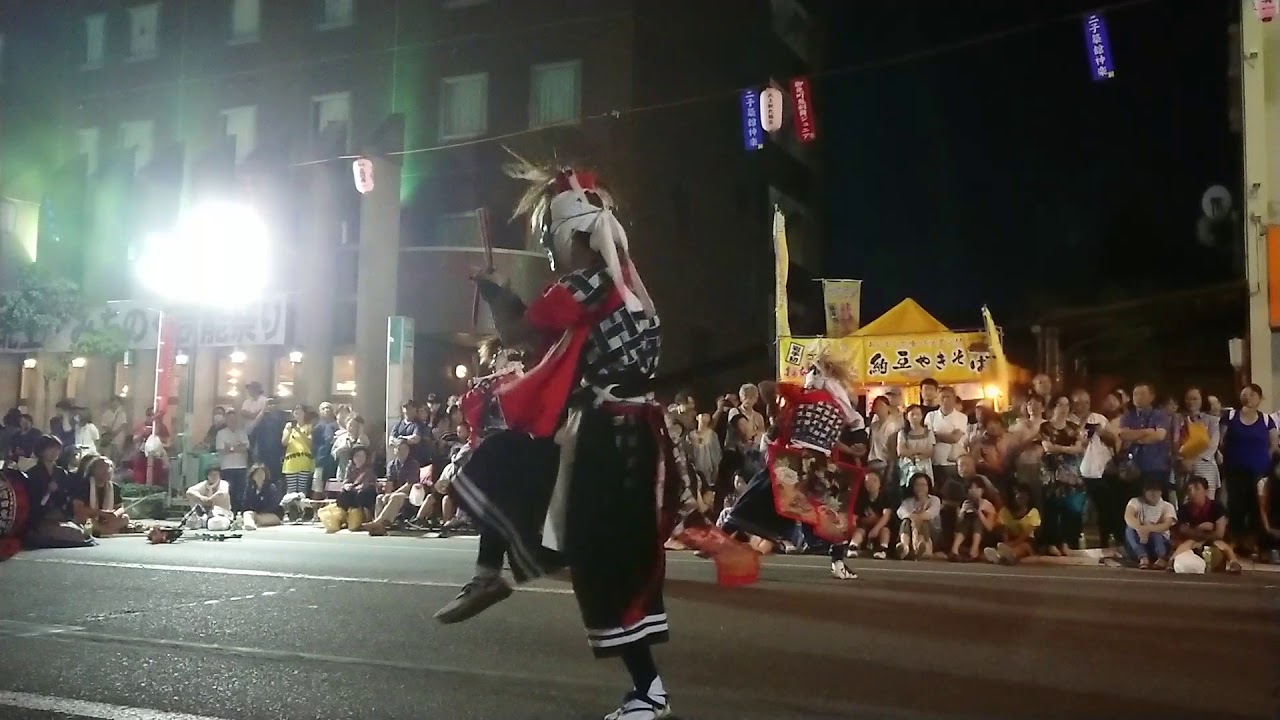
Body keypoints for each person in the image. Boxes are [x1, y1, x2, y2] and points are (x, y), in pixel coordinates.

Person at [437, 160, 693, 719]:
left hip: (610, 437)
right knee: (519, 472)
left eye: (553, 240)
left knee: (597, 554)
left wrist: (494, 288)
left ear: (573, 236)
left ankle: (648, 691)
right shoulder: (624, 286)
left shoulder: (586, 284)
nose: (551, 255)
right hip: (625, 432)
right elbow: (542, 337)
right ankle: (493, 572)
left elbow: (519, 331)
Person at [727, 348, 864, 580]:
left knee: (832, 512)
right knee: (757, 494)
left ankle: (838, 561)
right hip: (797, 459)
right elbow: (766, 388)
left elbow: (842, 428)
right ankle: (720, 535)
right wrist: (774, 407)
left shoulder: (827, 402)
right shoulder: (804, 400)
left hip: (813, 462)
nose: (809, 377)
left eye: (813, 372)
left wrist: (853, 445)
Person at [1220, 383, 1277, 550]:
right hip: (1235, 471)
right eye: (1245, 394)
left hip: (1259, 473)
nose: (1248, 397)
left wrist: (1264, 461)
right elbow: (1221, 441)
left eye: (1252, 394)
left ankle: (1257, 545)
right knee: (1236, 506)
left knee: (1257, 508)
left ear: (1260, 398)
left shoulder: (1266, 420)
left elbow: (1273, 444)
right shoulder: (1231, 416)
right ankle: (1236, 542)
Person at [22, 435, 93, 548]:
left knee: (80, 533)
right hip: (41, 516)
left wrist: (59, 492)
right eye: (50, 448)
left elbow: (66, 497)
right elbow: (32, 499)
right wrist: (47, 492)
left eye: (57, 449)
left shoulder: (61, 473)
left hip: (59, 514)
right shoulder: (32, 473)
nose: (54, 452)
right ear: (41, 451)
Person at [1171, 476, 1241, 574]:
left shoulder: (1217, 507)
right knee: (1187, 543)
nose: (1192, 492)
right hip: (1194, 542)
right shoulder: (1184, 509)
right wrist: (1199, 528)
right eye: (1190, 490)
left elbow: (1219, 533)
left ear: (1206, 491)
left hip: (1214, 541)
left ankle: (1234, 562)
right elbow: (1183, 530)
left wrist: (1202, 535)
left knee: (1222, 545)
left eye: (1197, 488)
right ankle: (1171, 561)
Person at [363, 439, 418, 536]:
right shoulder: (391, 465)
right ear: (395, 450)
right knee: (380, 497)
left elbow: (409, 485)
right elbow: (389, 482)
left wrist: (392, 494)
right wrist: (387, 494)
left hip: (410, 495)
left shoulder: (413, 464)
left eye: (405, 449)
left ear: (408, 451)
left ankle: (377, 522)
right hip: (395, 493)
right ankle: (379, 528)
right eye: (399, 449)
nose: (402, 451)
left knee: (396, 496)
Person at [1123, 477, 1177, 569]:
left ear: (1161, 492)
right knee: (1129, 529)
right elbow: (1128, 516)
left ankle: (1161, 558)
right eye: (1150, 490)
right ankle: (1143, 557)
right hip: (1140, 540)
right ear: (1144, 491)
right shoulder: (1135, 501)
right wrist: (1139, 528)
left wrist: (1148, 528)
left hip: (1160, 542)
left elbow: (1166, 525)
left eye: (1156, 490)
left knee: (1157, 532)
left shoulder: (1167, 506)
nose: (1153, 493)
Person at [985, 483, 1040, 566]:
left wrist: (1012, 544)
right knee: (1002, 545)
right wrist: (1006, 542)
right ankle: (1000, 556)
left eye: (1024, 495)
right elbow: (1004, 529)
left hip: (1027, 540)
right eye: (1018, 494)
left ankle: (1009, 555)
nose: (1020, 497)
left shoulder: (1033, 512)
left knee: (1023, 546)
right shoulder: (1005, 511)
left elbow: (1026, 534)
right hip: (1010, 539)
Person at [848, 469, 894, 559]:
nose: (871, 484)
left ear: (880, 483)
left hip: (880, 525)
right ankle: (853, 546)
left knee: (885, 530)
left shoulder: (885, 497)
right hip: (865, 526)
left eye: (874, 480)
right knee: (859, 531)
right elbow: (856, 516)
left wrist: (876, 528)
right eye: (867, 481)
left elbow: (886, 516)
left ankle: (882, 548)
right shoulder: (861, 498)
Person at [79, 456, 129, 537]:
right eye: (103, 467)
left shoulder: (114, 487)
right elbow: (78, 509)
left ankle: (101, 531)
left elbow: (120, 508)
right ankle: (106, 531)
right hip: (90, 518)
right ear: (93, 470)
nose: (107, 470)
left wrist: (115, 514)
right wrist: (101, 513)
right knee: (84, 518)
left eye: (110, 467)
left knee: (125, 518)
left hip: (106, 520)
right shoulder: (83, 485)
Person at [950, 478, 997, 561]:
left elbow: (990, 527)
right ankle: (954, 550)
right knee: (967, 518)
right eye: (971, 488)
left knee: (976, 519)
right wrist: (962, 512)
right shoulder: (966, 503)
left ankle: (974, 550)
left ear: (982, 490)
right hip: (966, 535)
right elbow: (958, 525)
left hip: (983, 536)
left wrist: (979, 513)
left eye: (977, 488)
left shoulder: (988, 505)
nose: (974, 490)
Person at [896, 472, 941, 560]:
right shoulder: (908, 501)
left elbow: (930, 514)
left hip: (932, 532)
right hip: (911, 532)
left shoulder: (934, 500)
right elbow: (901, 512)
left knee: (924, 521)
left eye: (923, 485)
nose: (920, 488)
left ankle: (922, 546)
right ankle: (904, 547)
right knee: (906, 521)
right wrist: (912, 518)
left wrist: (916, 518)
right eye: (917, 485)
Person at [215, 412, 251, 515]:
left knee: (241, 492)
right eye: (230, 419)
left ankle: (240, 513)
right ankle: (229, 513)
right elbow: (222, 449)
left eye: (234, 419)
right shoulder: (221, 433)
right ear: (226, 420)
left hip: (241, 467)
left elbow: (246, 448)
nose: (233, 421)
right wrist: (237, 446)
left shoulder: (242, 432)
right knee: (229, 492)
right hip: (227, 467)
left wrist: (230, 447)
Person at [334, 447, 376, 531]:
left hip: (366, 491)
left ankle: (368, 519)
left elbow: (368, 483)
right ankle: (347, 520)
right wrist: (346, 486)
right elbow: (346, 481)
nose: (360, 458)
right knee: (343, 494)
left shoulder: (369, 469)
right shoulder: (350, 468)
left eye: (362, 456)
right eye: (357, 456)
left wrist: (355, 487)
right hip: (353, 491)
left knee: (362, 494)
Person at [281, 405, 315, 499]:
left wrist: (298, 431)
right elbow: (284, 442)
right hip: (291, 462)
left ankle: (301, 507)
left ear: (304, 414)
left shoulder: (308, 427)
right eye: (296, 413)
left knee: (302, 490)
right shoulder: (288, 426)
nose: (298, 414)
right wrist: (289, 430)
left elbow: (310, 443)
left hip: (304, 461)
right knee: (291, 490)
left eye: (300, 412)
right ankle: (291, 507)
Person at [241, 464, 282, 531]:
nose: (259, 476)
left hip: (271, 515)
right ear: (253, 476)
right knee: (247, 513)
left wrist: (260, 512)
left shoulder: (271, 487)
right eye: (257, 474)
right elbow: (246, 503)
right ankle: (250, 525)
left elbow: (273, 505)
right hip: (255, 514)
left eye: (262, 474)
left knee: (256, 517)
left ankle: (251, 523)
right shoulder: (250, 488)